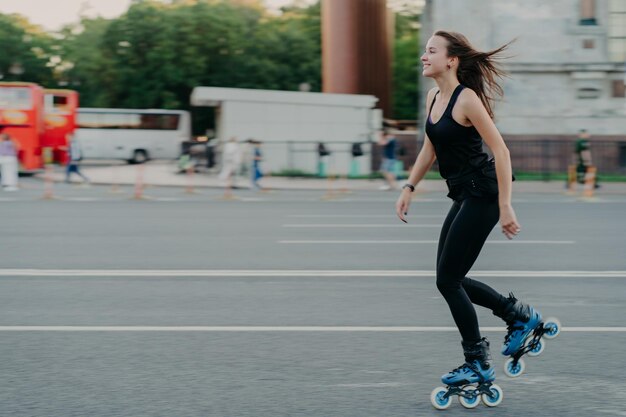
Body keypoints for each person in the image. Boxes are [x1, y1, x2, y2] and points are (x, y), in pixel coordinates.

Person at [395, 31, 548, 391]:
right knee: (450, 278)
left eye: (431, 51)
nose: (423, 56)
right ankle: (518, 316)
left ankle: (477, 362)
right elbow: (429, 149)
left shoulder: (467, 100)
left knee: (447, 279)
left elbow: (502, 151)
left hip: (484, 194)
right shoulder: (435, 96)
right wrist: (408, 187)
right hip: (464, 194)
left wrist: (505, 205)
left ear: (451, 60)